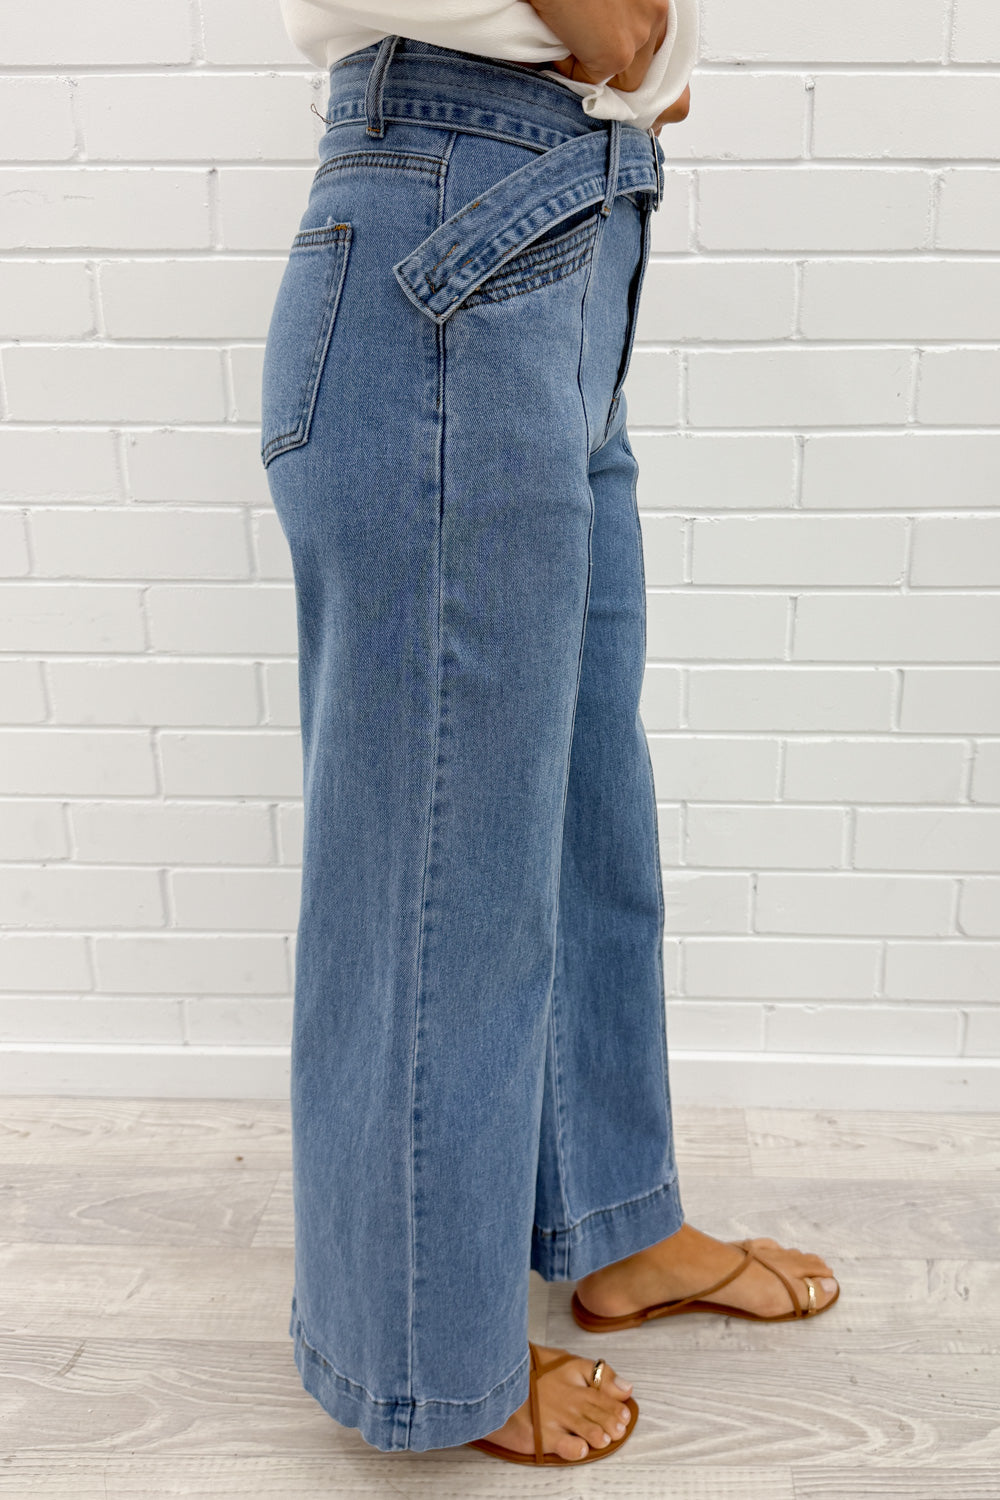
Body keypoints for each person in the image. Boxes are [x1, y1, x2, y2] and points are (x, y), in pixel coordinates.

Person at [260, 0, 840, 1469]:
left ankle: (615, 1224)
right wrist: (638, 44)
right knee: (441, 864)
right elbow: (623, 34)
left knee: (581, 807)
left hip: (547, 229)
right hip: (456, 222)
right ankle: (424, 1353)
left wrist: (641, 59)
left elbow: (641, 62)